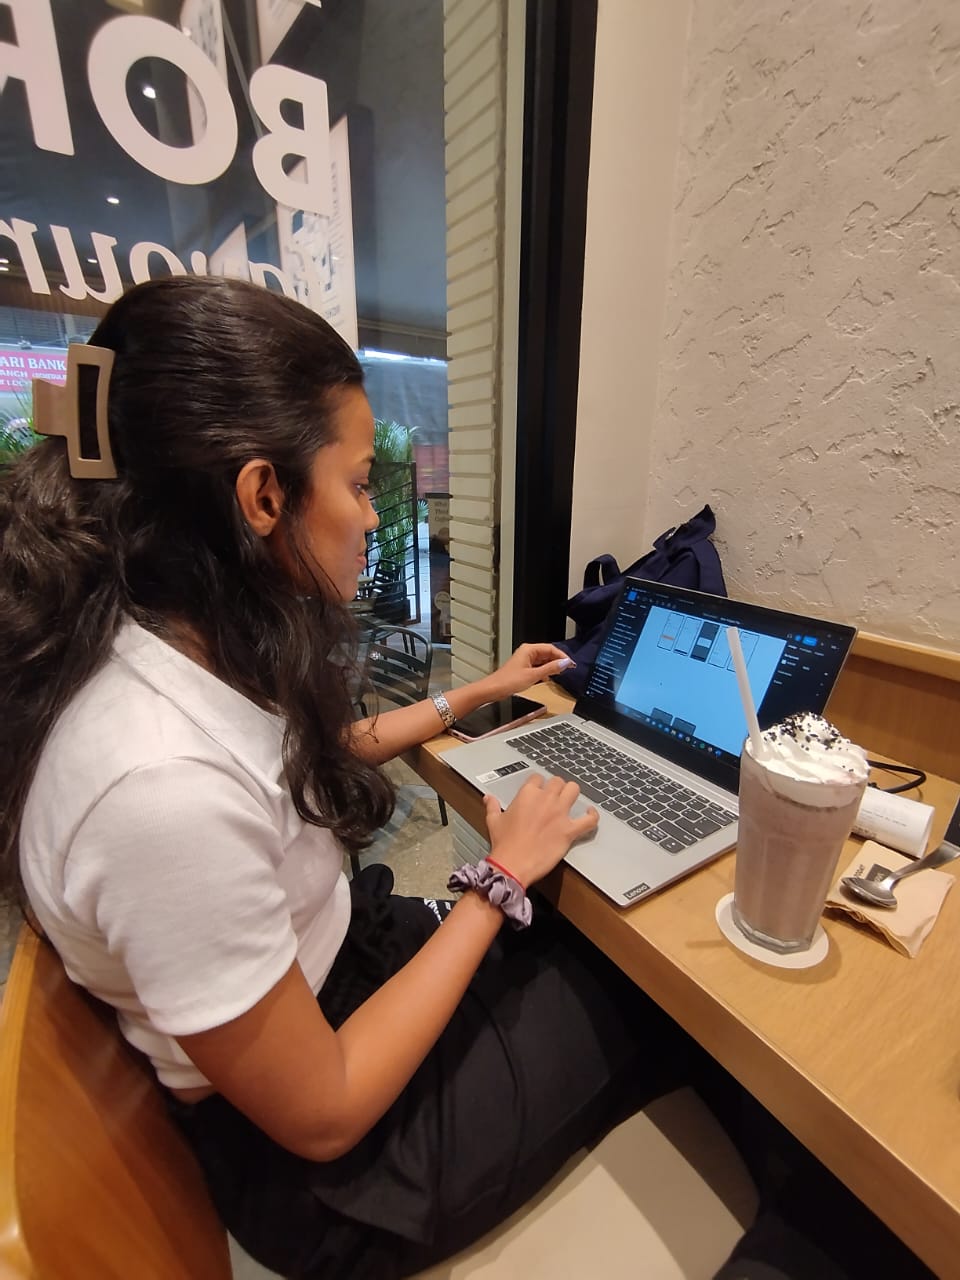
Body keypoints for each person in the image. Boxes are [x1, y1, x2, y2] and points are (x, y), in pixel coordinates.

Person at [0, 277, 691, 1279]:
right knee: (648, 996)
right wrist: (496, 880)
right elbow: (323, 1111)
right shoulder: (152, 788)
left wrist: (479, 691)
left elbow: (301, 759)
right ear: (262, 494)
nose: (373, 516)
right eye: (362, 482)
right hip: (339, 1164)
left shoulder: (160, 635)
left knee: (589, 936)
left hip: (331, 983)